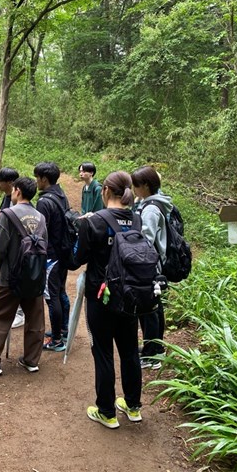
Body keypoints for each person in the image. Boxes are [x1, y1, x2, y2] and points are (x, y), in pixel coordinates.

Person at [72, 171, 142, 429]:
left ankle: (107, 411)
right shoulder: (137, 219)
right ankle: (133, 407)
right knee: (129, 350)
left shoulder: (94, 221)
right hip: (131, 295)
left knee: (102, 353)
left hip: (100, 296)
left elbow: (76, 259)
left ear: (105, 192)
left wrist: (78, 230)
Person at [0, 177, 47, 376]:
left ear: (18, 191)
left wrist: (1, 271)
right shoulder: (41, 217)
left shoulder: (7, 215)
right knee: (35, 318)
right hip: (35, 277)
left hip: (10, 278)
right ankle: (31, 361)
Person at [131, 166, 173, 370]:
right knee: (154, 306)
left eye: (136, 185)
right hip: (153, 262)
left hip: (149, 263)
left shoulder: (150, 210)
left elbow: (145, 240)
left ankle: (153, 354)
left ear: (145, 186)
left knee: (149, 308)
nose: (134, 189)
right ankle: (154, 346)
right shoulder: (153, 203)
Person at [34, 162, 71, 352]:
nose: (36, 181)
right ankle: (64, 329)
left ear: (44, 179)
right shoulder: (61, 194)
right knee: (61, 292)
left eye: (37, 178)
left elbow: (39, 231)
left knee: (51, 297)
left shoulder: (44, 201)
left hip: (51, 255)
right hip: (63, 252)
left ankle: (56, 339)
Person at [0, 167, 25, 329]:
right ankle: (13, 311)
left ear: (10, 183)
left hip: (13, 249)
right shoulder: (7, 197)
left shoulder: (16, 200)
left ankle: (19, 314)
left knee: (12, 281)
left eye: (0, 181)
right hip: (6, 247)